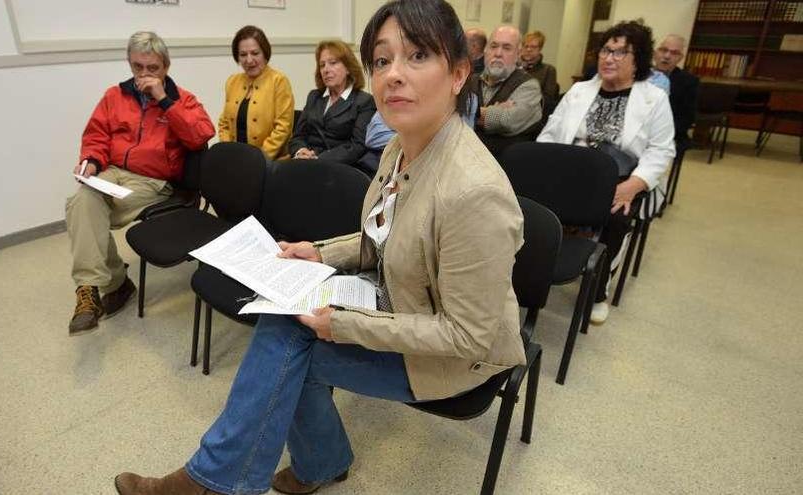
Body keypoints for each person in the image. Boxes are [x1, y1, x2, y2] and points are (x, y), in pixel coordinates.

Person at [113, 1, 526, 494]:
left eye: (417, 56)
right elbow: (388, 234)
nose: (393, 75)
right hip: (399, 297)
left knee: (289, 348)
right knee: (284, 321)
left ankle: (221, 480)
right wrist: (321, 252)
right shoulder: (404, 144)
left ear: (459, 74)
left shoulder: (474, 192)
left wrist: (345, 324)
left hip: (454, 357)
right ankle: (312, 464)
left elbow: (467, 337)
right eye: (381, 60)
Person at [66, 31, 215, 335]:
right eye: (138, 68)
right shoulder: (114, 96)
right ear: (130, 65)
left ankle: (114, 285)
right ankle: (92, 289)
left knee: (88, 214)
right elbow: (97, 135)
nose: (144, 75)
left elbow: (200, 135)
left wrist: (164, 100)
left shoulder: (182, 99)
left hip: (153, 180)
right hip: (113, 172)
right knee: (82, 201)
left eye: (153, 68)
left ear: (166, 66)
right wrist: (92, 161)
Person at [537, 21, 675, 324]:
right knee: (532, 205)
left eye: (620, 53)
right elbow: (548, 135)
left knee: (615, 215)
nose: (609, 58)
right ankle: (536, 271)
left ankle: (598, 289)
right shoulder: (579, 91)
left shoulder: (654, 99)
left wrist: (634, 185)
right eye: (605, 50)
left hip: (619, 179)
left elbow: (662, 151)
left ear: (637, 59)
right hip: (570, 170)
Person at [289, 40, 376, 166]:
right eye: (322, 65)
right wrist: (301, 151)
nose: (326, 70)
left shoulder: (364, 101)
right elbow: (298, 137)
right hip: (304, 163)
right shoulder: (314, 96)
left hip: (338, 167)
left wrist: (319, 160)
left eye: (333, 63)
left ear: (348, 68)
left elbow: (357, 146)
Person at [218, 26, 294, 160]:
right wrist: (228, 151)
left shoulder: (279, 81)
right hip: (236, 159)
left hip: (269, 162)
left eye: (255, 53)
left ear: (265, 53)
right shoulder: (232, 81)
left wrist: (257, 159)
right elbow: (224, 123)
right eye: (243, 55)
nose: (249, 60)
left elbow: (283, 128)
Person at [474, 25, 543, 157]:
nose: (498, 53)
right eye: (493, 46)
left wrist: (470, 112)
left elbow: (507, 121)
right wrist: (492, 111)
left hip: (502, 165)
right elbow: (446, 116)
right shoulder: (470, 81)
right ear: (486, 51)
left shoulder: (529, 86)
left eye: (506, 48)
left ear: (518, 54)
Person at [654, 34, 699, 152]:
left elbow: (687, 118)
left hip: (667, 132)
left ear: (680, 58)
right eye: (664, 50)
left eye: (674, 53)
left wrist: (661, 133)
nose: (667, 56)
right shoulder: (640, 74)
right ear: (656, 53)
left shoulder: (689, 81)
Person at [519, 31, 559, 115]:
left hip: (534, 113)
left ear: (540, 49)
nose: (529, 49)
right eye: (526, 46)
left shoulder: (548, 70)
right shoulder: (514, 67)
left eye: (533, 47)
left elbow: (548, 100)